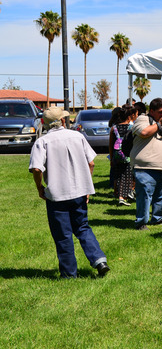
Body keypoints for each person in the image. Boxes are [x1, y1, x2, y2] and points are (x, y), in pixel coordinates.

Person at [29, 106, 110, 278]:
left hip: (57, 195)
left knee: (62, 234)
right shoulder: (78, 136)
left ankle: (69, 273)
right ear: (63, 120)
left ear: (44, 123)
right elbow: (92, 163)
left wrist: (39, 187)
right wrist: (86, 186)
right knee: (83, 227)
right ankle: (99, 260)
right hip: (79, 191)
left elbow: (36, 169)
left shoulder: (42, 142)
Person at [130, 98, 162, 230]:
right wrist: (159, 123)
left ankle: (158, 219)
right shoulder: (142, 120)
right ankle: (141, 222)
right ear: (151, 111)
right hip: (145, 167)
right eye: (160, 112)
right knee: (145, 196)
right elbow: (144, 133)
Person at [108, 104, 137, 206]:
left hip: (117, 155)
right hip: (128, 154)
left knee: (118, 175)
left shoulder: (114, 128)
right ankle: (123, 196)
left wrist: (111, 158)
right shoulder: (132, 127)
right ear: (130, 116)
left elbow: (111, 145)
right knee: (128, 175)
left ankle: (120, 194)